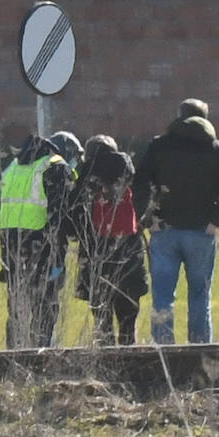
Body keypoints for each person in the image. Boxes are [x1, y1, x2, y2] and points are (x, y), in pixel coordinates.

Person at [132, 98, 219, 344]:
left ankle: (163, 352)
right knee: (200, 296)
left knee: (162, 296)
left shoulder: (159, 146)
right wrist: (217, 220)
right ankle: (200, 351)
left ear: (178, 116)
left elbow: (139, 183)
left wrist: (149, 219)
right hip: (202, 231)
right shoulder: (218, 149)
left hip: (165, 231)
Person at [68, 136, 147, 345]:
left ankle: (105, 358)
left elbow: (73, 209)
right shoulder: (128, 171)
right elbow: (143, 204)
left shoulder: (86, 174)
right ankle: (130, 355)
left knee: (102, 314)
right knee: (129, 311)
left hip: (97, 249)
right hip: (128, 246)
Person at [0, 133, 73, 348]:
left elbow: (5, 212)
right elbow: (58, 216)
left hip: (12, 247)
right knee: (45, 307)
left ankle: (13, 357)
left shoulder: (14, 167)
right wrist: (58, 258)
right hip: (42, 248)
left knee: (16, 309)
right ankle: (40, 357)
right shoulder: (55, 167)